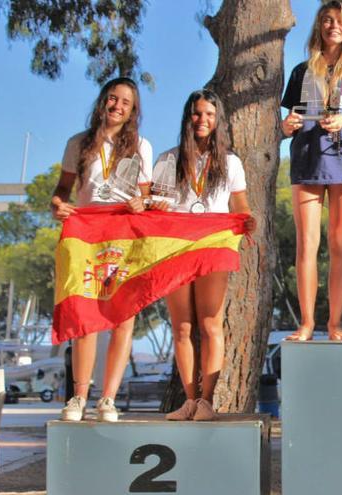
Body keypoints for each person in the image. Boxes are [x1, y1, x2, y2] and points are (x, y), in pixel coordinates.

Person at [50, 76, 153, 422]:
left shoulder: (141, 146)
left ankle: (107, 399)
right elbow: (62, 189)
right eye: (112, 98)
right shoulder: (78, 143)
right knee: (85, 316)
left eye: (125, 102)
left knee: (123, 316)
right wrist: (57, 205)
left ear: (133, 111)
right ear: (102, 102)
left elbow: (147, 194)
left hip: (125, 233)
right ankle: (78, 396)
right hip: (87, 232)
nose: (117, 106)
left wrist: (143, 202)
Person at [280, 0, 342, 341]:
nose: (332, 25)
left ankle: (335, 323)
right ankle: (306, 324)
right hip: (306, 158)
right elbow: (287, 120)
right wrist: (286, 125)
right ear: (319, 26)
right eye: (326, 20)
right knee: (306, 244)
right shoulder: (301, 71)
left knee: (339, 245)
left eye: (339, 20)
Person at [159, 89, 255, 421]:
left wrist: (247, 219)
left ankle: (207, 402)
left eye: (210, 115)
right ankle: (188, 400)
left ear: (218, 121)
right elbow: (159, 205)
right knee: (182, 327)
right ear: (188, 117)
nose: (203, 120)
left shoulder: (230, 162)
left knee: (211, 323)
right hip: (175, 246)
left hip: (213, 245)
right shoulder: (168, 160)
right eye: (197, 114)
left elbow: (239, 204)